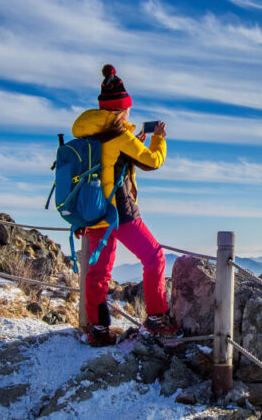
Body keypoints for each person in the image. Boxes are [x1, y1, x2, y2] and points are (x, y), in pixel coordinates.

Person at [72, 64, 176, 346]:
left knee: (98, 272)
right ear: (121, 109)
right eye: (127, 108)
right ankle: (156, 318)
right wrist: (158, 139)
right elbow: (152, 161)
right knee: (154, 257)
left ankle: (97, 330)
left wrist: (134, 143)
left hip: (94, 211)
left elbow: (110, 161)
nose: (129, 112)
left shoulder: (89, 133)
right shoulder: (119, 135)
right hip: (119, 212)